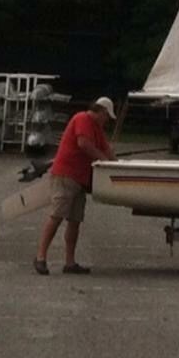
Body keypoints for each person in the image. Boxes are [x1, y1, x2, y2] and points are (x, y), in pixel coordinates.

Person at [34, 96, 116, 275]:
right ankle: (40, 257)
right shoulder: (82, 119)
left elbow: (106, 148)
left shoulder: (97, 128)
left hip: (80, 179)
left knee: (75, 221)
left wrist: (117, 163)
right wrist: (105, 160)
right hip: (65, 175)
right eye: (107, 116)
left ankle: (69, 263)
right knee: (56, 216)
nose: (107, 120)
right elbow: (84, 144)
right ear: (101, 111)